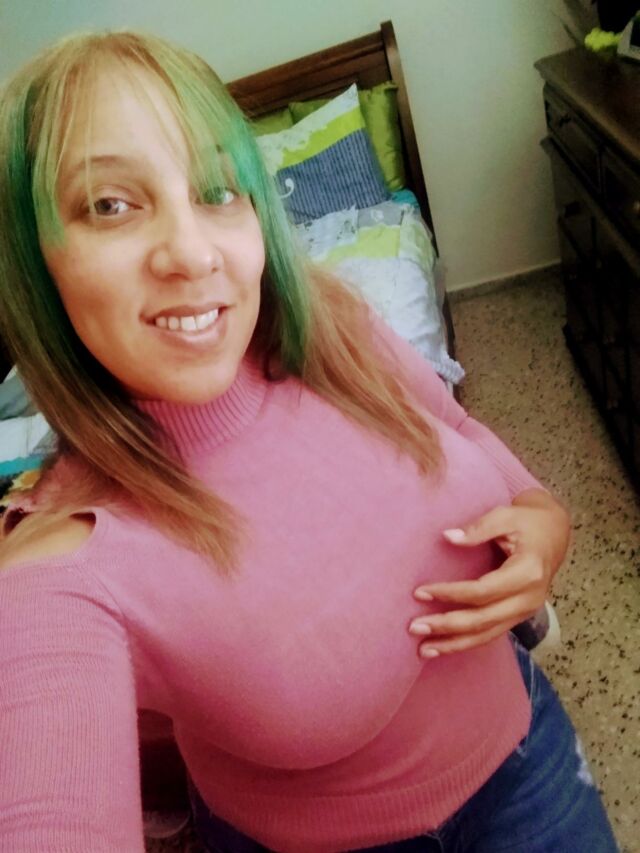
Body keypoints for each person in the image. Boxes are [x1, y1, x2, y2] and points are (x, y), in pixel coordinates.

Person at [0, 31, 617, 853]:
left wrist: (544, 518)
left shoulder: (336, 325)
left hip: (529, 756)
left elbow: (460, 428)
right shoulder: (62, 561)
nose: (193, 253)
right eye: (110, 204)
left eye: (218, 190)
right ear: (33, 263)